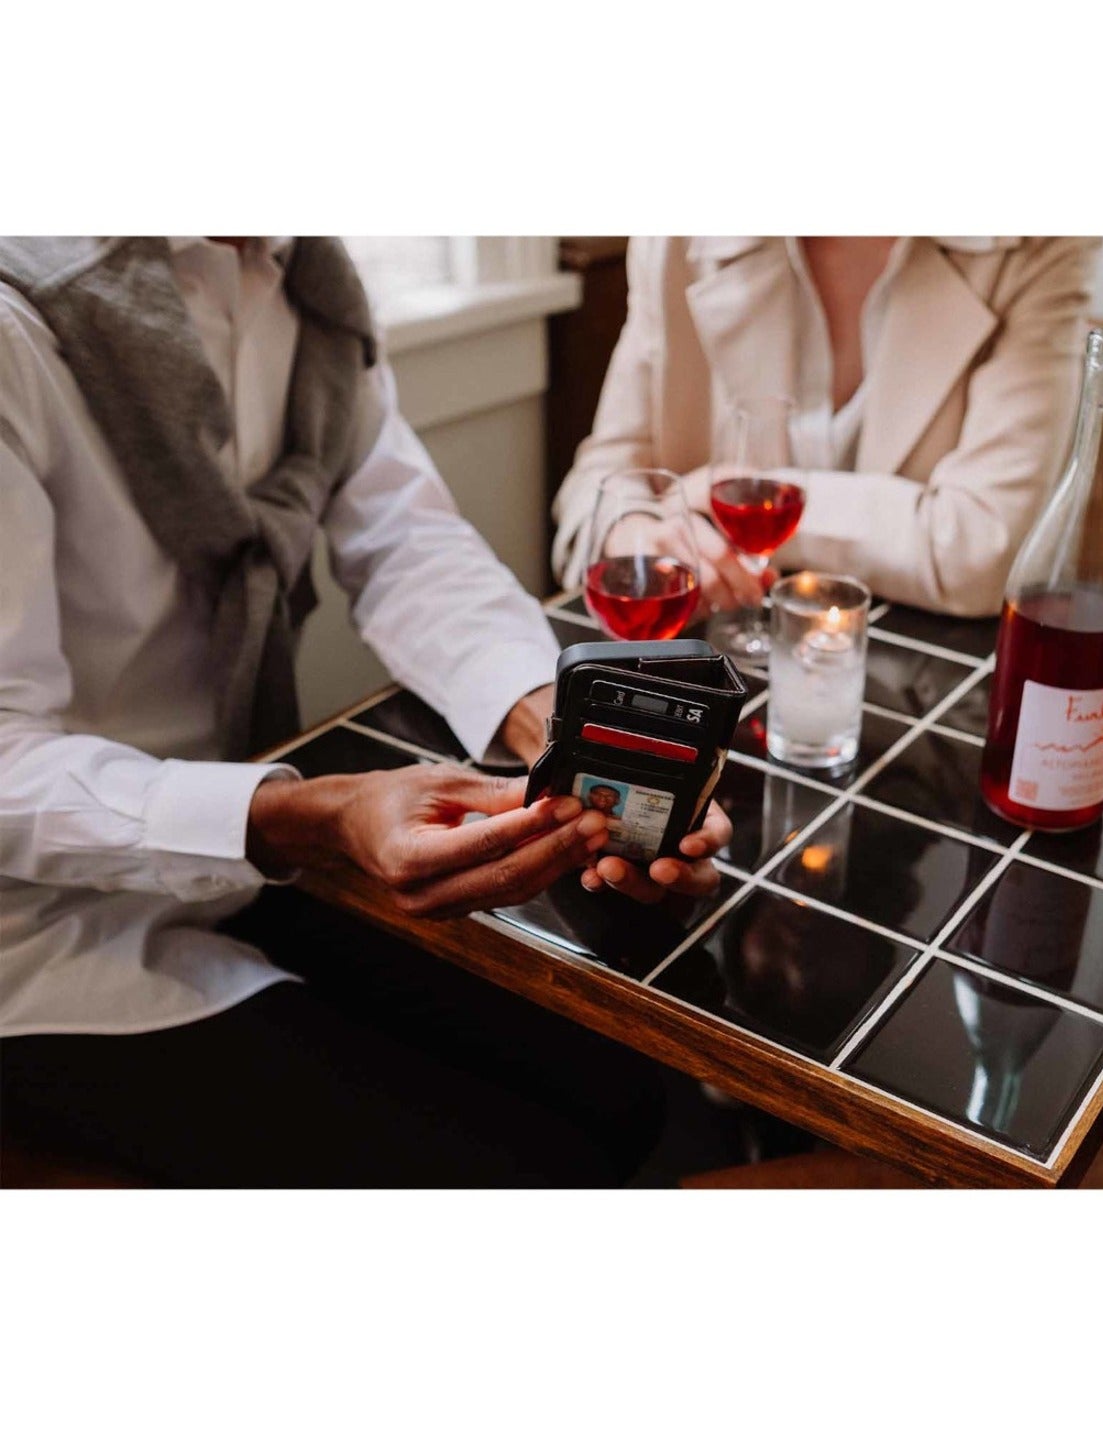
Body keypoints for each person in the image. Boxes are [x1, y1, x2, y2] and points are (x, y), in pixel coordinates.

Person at [0, 236, 728, 1188]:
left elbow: (409, 547)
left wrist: (568, 733)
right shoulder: (19, 324)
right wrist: (306, 816)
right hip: (45, 940)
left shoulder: (303, 280)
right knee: (536, 1170)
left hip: (246, 872)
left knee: (629, 1090)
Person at [552, 236, 1103, 617]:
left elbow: (985, 549)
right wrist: (630, 529)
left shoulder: (1039, 245)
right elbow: (598, 481)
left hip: (922, 684)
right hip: (714, 668)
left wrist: (726, 500)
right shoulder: (680, 234)